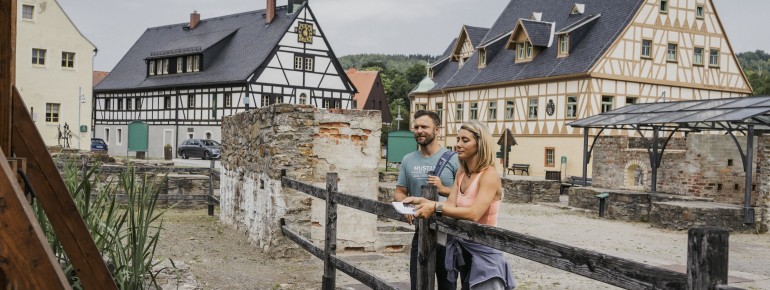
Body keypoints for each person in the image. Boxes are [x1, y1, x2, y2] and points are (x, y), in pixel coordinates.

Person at [404, 121, 516, 290]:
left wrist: (434, 208)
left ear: (480, 144)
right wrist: (422, 201)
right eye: (458, 139)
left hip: (484, 253)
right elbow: (450, 205)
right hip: (463, 249)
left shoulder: (489, 174)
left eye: (465, 140)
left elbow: (474, 213)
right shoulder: (462, 173)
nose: (458, 145)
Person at [395, 110, 459, 290]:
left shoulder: (454, 159)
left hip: (448, 233)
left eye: (424, 127)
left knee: (448, 286)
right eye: (416, 127)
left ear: (437, 130)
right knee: (418, 283)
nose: (419, 130)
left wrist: (443, 189)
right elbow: (400, 191)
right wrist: (404, 205)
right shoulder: (408, 159)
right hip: (421, 231)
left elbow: (465, 194)